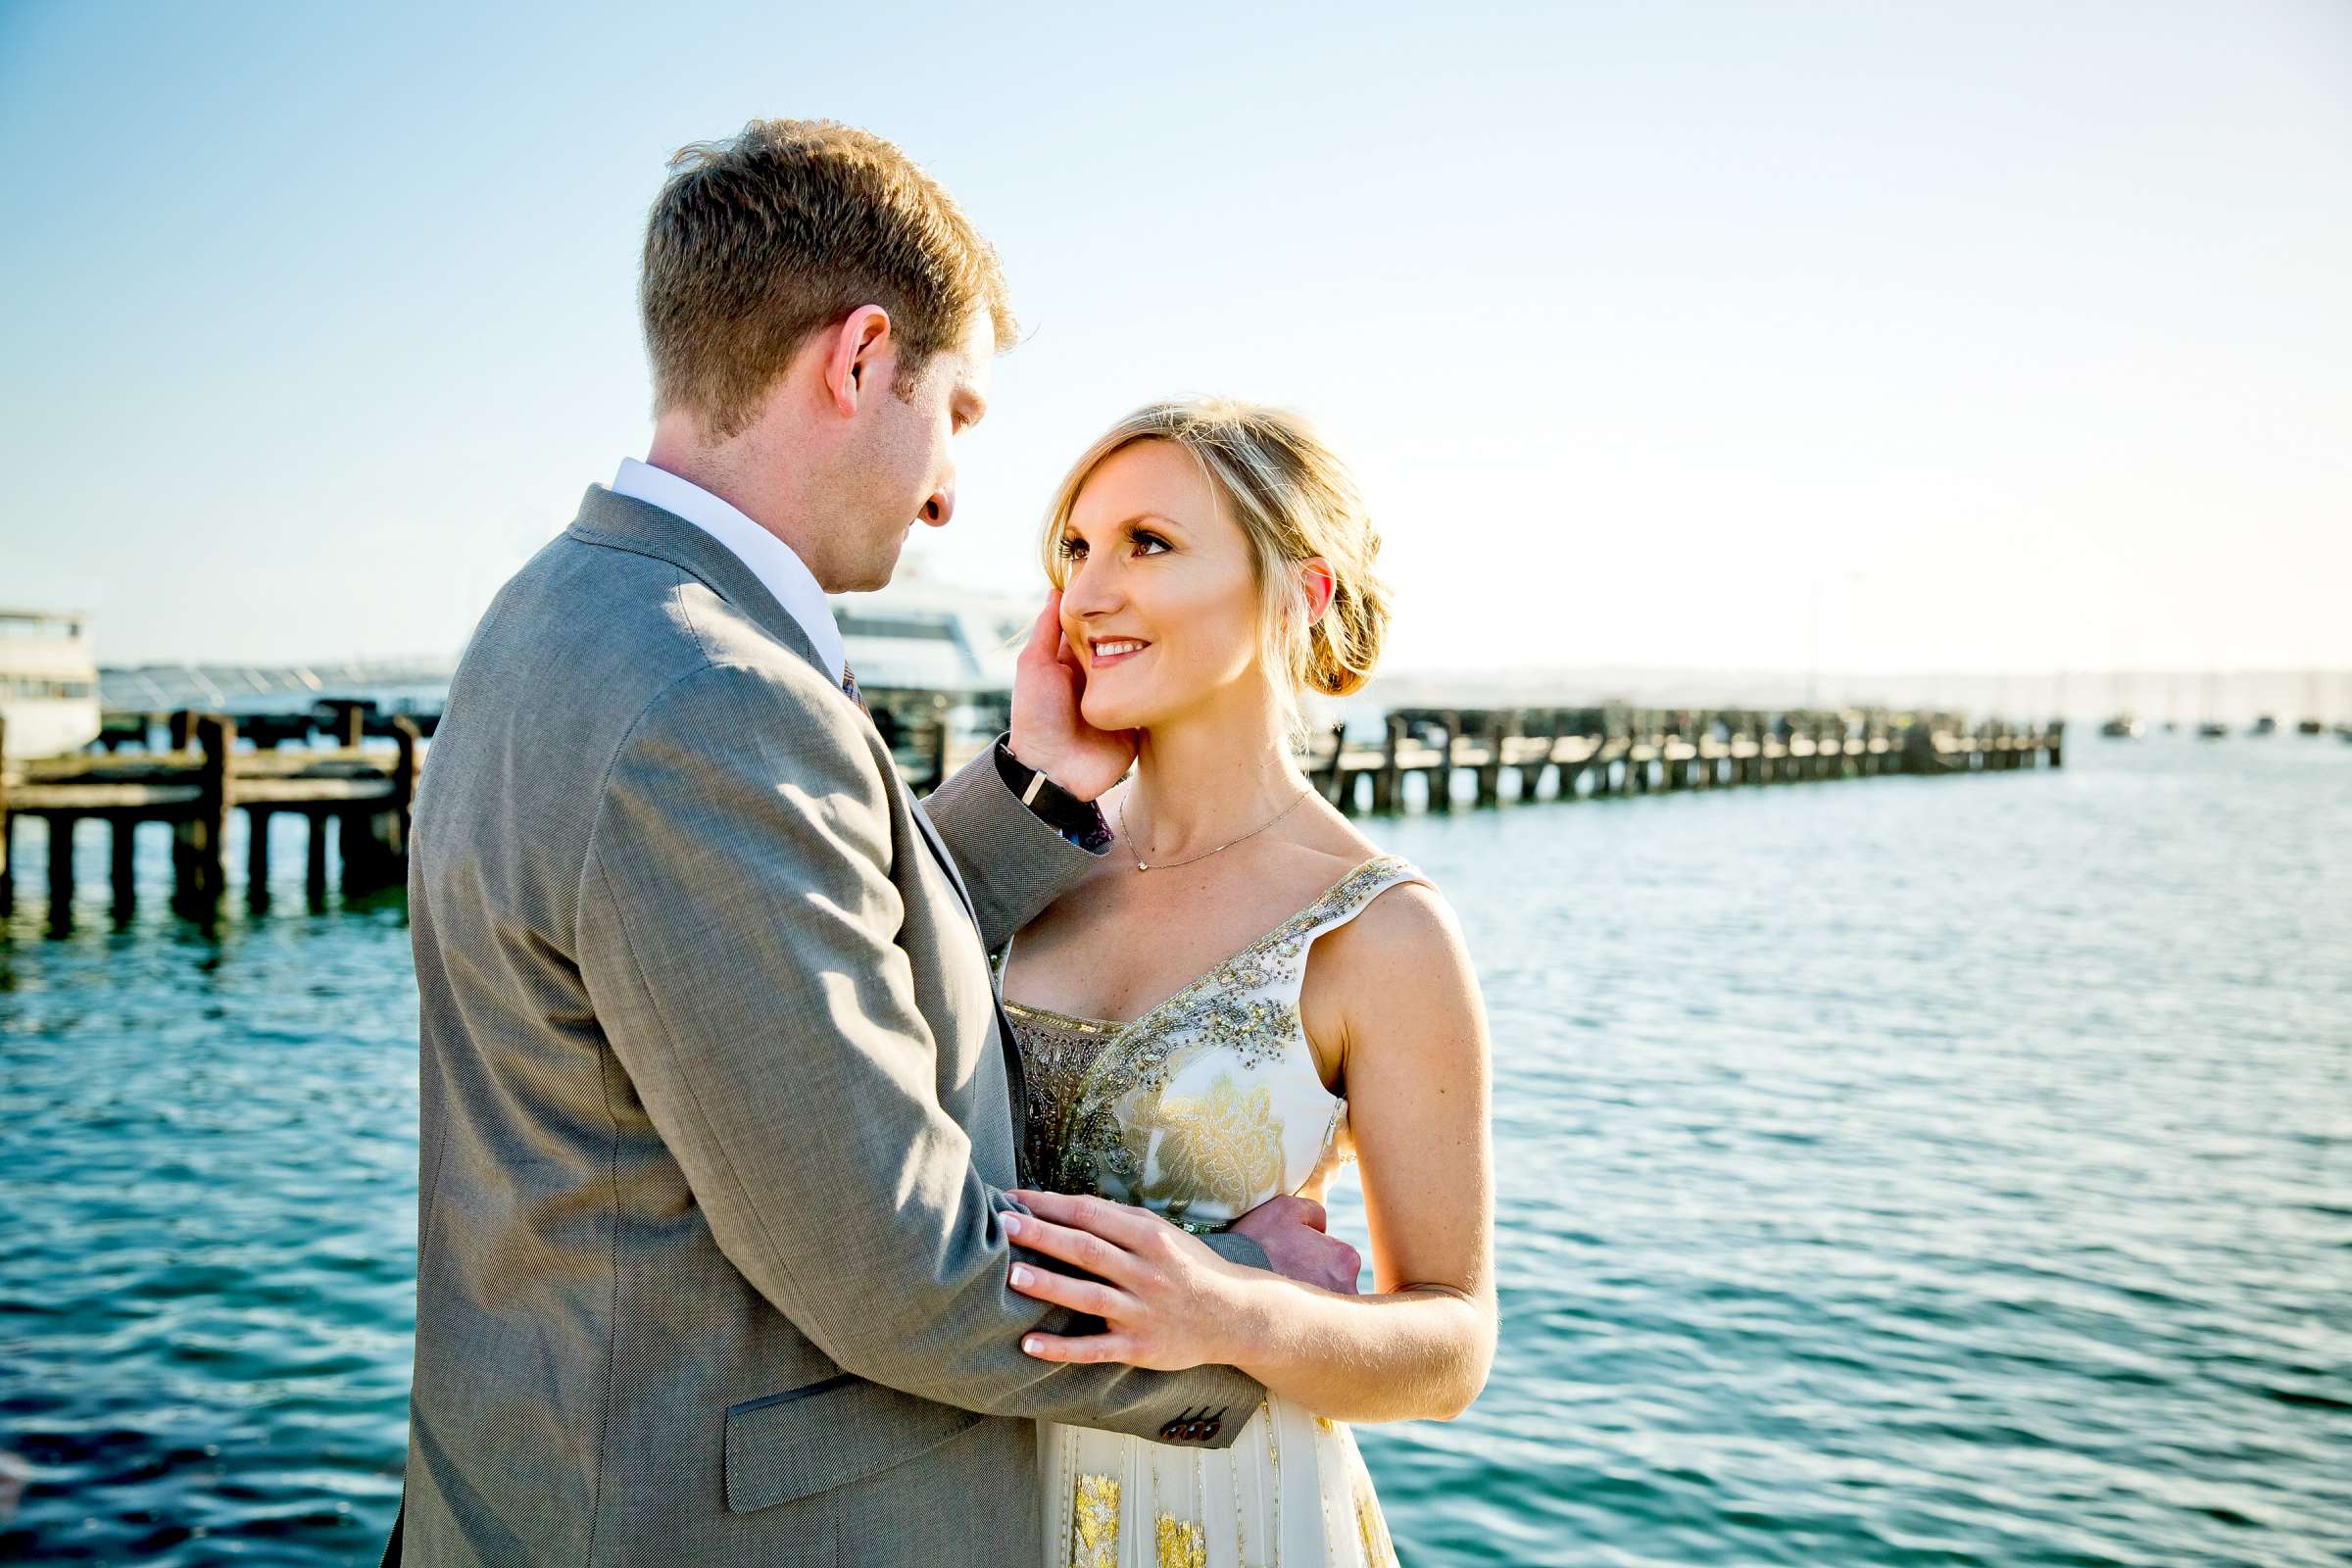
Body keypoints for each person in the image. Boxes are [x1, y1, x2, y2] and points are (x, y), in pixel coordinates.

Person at [385, 121, 1358, 1567]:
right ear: (858, 360)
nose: (957, 488)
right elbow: (899, 1273)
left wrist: (1031, 788)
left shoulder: (562, 615)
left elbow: (792, 967)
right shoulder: (713, 699)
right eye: (956, 410)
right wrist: (1239, 1304)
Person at [990, 400, 1497, 1566]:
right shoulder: (1013, 866)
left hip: (1224, 1517)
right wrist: (1032, 785)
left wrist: (1231, 1305)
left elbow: (1452, 1345)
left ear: (1299, 595)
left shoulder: (1381, 932)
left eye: (1146, 544)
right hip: (966, 1496)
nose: (1087, 592)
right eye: (1076, 548)